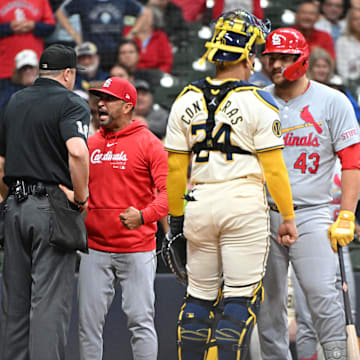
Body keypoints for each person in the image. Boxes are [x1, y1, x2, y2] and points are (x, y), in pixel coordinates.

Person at [164, 9, 298, 360]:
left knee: (198, 299)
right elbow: (274, 171)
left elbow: (176, 171)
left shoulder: (185, 99)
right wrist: (288, 216)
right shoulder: (259, 101)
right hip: (242, 203)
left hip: (199, 202)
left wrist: (176, 221)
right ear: (248, 56)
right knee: (239, 300)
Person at [257, 27, 360, 360]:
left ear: (301, 58)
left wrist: (346, 213)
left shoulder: (331, 100)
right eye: (271, 58)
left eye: (283, 58)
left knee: (322, 296)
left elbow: (353, 161)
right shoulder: (257, 99)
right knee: (269, 306)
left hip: (312, 212)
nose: (275, 65)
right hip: (263, 213)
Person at [0, 44, 90, 360]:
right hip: (50, 206)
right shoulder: (70, 102)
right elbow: (78, 151)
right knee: (49, 304)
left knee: (14, 304)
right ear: (68, 73)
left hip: (13, 206)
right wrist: (81, 199)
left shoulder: (14, 101)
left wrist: (9, 198)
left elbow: (0, 163)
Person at [78, 77, 168, 360]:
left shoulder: (150, 144)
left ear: (128, 106)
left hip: (137, 248)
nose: (100, 104)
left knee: (140, 323)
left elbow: (169, 196)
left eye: (108, 99)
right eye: (98, 99)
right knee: (88, 327)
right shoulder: (89, 144)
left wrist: (144, 216)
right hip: (94, 248)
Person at [56, 0, 152, 70]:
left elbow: (144, 13)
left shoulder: (123, 1)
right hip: (91, 54)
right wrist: (75, 35)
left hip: (116, 52)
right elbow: (60, 13)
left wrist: (132, 34)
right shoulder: (83, 1)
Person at [0, 0, 55, 79]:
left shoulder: (41, 1)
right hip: (6, 67)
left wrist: (34, 26)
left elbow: (50, 27)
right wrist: (9, 27)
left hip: (34, 65)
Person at [307, 47, 360, 121]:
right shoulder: (304, 89)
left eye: (324, 66)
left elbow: (356, 113)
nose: (322, 70)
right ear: (310, 68)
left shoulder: (338, 88)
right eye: (318, 66)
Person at [123, 5, 173, 74]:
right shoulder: (126, 32)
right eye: (142, 16)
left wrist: (160, 74)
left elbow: (166, 61)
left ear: (154, 19)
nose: (145, 20)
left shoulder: (160, 36)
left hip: (154, 74)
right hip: (130, 73)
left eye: (148, 17)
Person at [0, 49, 39, 115]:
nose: (28, 71)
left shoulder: (47, 89)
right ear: (18, 73)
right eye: (24, 68)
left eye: (31, 67)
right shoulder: (9, 94)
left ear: (37, 69)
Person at [336, 7, 360, 94]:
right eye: (355, 19)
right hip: (351, 85)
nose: (359, 22)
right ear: (349, 22)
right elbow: (343, 72)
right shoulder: (342, 41)